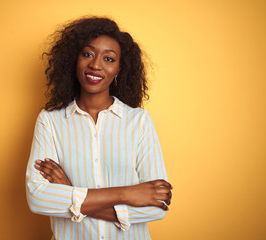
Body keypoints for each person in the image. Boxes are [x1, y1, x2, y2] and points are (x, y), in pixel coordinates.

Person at [26, 16, 173, 239]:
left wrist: (69, 191)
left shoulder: (139, 121)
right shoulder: (50, 120)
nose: (95, 64)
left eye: (109, 58)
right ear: (74, 59)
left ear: (119, 69)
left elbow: (157, 204)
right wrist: (127, 193)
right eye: (87, 54)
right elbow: (38, 198)